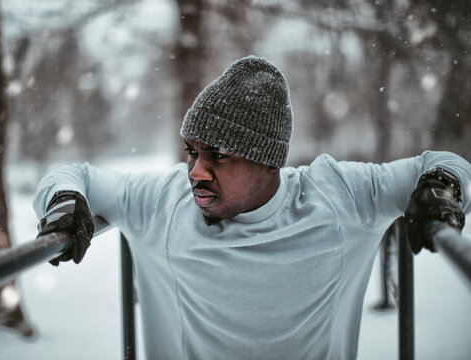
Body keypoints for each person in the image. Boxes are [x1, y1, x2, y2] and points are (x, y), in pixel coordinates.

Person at [33, 56, 470, 359]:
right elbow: (76, 174)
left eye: (219, 155)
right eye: (191, 152)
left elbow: (445, 163)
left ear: (269, 161)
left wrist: (443, 188)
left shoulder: (339, 196)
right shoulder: (162, 200)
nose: (196, 172)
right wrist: (63, 200)